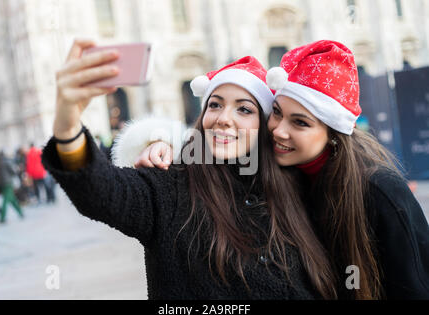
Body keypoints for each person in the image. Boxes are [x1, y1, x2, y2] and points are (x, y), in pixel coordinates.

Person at [41, 39, 338, 300]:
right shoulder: (171, 184)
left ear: (265, 124)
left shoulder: (294, 186)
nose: (223, 118)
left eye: (244, 109)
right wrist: (67, 126)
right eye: (215, 104)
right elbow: (101, 191)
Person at [131, 40, 429, 299]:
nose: (278, 130)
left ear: (333, 134)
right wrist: (162, 141)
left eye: (299, 123)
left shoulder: (378, 190)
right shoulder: (279, 170)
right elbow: (217, 145)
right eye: (276, 113)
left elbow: (413, 285)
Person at [0, 151, 24, 223]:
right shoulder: (6, 162)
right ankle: (2, 217)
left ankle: (20, 212)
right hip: (7, 183)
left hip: (0, 184)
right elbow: (13, 172)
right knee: (6, 200)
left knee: (12, 198)